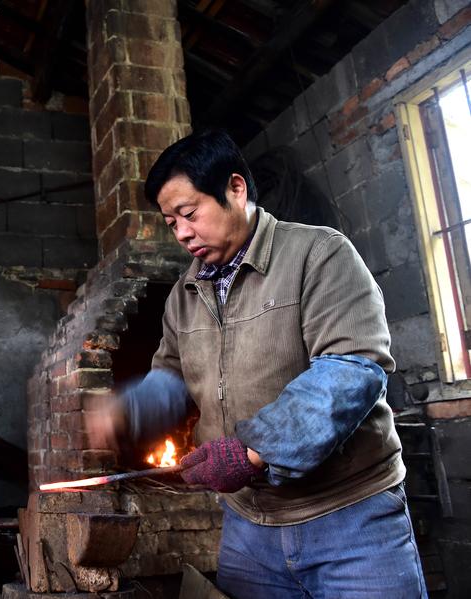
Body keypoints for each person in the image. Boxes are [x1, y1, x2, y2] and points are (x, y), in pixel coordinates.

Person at [86, 130, 426, 598]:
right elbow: (171, 378)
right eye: (171, 222)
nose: (182, 232)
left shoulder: (319, 254)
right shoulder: (183, 299)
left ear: (236, 188)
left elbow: (350, 371)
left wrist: (253, 452)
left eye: (189, 213)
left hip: (351, 518)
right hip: (250, 530)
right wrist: (129, 407)